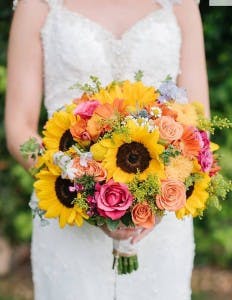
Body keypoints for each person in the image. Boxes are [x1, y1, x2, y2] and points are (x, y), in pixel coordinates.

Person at [5, 0, 209, 299]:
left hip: (160, 226)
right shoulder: (37, 5)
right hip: (67, 210)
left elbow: (197, 124)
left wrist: (158, 199)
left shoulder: (181, 5)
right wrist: (78, 184)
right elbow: (18, 128)